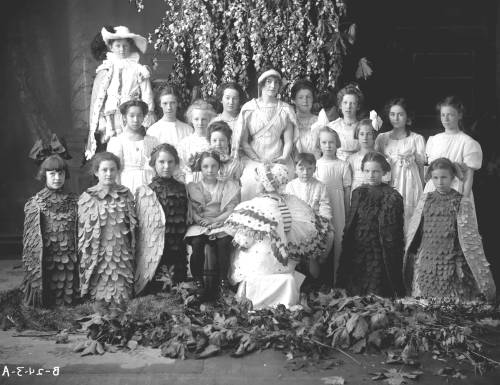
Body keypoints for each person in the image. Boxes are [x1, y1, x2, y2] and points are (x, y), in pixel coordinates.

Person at [225, 163, 326, 309]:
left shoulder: (256, 205)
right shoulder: (290, 204)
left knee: (242, 248)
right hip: (283, 263)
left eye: (259, 181)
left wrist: (239, 242)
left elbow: (245, 240)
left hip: (260, 265)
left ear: (263, 185)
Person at [404, 158, 495, 301]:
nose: (440, 182)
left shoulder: (461, 202)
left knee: (451, 293)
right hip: (428, 255)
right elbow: (416, 228)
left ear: (452, 178)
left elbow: (469, 235)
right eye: (435, 178)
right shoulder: (425, 199)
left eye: (444, 177)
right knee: (427, 291)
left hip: (452, 256)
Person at [337, 152, 405, 297]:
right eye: (367, 171)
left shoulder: (393, 196)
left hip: (380, 249)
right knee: (357, 281)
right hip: (359, 246)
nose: (371, 175)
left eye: (376, 171)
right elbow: (351, 221)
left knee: (377, 281)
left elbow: (397, 231)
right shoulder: (357, 193)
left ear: (384, 172)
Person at [78, 152, 136, 315]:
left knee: (122, 296)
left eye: (112, 170)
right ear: (96, 172)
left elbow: (133, 229)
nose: (109, 174)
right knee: (100, 291)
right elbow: (84, 235)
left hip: (121, 252)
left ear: (118, 171)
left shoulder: (125, 194)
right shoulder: (88, 197)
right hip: (99, 253)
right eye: (104, 170)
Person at [85, 25, 156, 160]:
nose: (122, 49)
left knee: (132, 146)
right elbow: (99, 98)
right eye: (118, 46)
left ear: (130, 47)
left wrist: (149, 112)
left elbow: (147, 93)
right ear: (111, 47)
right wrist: (100, 119)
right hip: (112, 117)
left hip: (133, 113)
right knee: (114, 149)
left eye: (125, 46)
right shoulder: (106, 69)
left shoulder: (138, 69)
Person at [22, 155, 78, 308]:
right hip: (48, 260)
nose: (57, 178)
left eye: (61, 173)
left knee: (68, 295)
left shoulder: (75, 201)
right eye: (52, 174)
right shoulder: (36, 203)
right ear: (44, 175)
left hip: (69, 259)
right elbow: (31, 245)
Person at [185, 151, 241, 299]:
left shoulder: (228, 186)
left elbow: (230, 209)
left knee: (224, 242)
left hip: (220, 221)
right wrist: (199, 220)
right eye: (205, 166)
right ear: (201, 168)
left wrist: (217, 221)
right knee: (197, 242)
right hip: (201, 223)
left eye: (213, 166)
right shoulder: (193, 187)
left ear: (219, 167)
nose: (210, 170)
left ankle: (223, 281)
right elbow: (191, 207)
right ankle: (198, 281)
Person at [135, 144, 189, 295]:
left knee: (176, 272)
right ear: (153, 163)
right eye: (161, 162)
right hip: (156, 244)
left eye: (170, 162)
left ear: (176, 163)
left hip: (177, 243)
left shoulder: (183, 189)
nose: (166, 166)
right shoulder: (147, 190)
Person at [237, 69, 298, 201]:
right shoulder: (249, 108)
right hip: (254, 158)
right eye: (269, 82)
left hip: (278, 157)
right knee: (249, 183)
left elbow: (288, 141)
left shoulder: (285, 109)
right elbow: (244, 142)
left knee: (284, 184)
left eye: (276, 82)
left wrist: (284, 157)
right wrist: (257, 159)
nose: (273, 86)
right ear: (261, 85)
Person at [375, 98, 425, 230]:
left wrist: (424, 191)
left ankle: (409, 247)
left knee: (409, 215)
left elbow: (421, 167)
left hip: (410, 183)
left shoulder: (416, 139)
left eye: (400, 114)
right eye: (392, 114)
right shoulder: (382, 138)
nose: (396, 118)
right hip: (390, 181)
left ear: (407, 116)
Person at [285, 153, 334, 277]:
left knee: (330, 234)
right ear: (295, 170)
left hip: (316, 220)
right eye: (301, 169)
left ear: (314, 169)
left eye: (309, 168)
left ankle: (319, 262)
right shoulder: (291, 186)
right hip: (297, 222)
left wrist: (325, 220)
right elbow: (287, 206)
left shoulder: (320, 186)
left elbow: (325, 205)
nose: (305, 172)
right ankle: (297, 270)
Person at [425, 96, 482, 200]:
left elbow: (469, 176)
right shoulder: (434, 140)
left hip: (457, 190)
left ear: (459, 115)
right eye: (443, 115)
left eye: (450, 115)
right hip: (434, 189)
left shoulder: (467, 142)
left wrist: (464, 200)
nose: (445, 119)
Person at [314, 128, 351, 284]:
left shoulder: (342, 165)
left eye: (331, 142)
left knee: (338, 240)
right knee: (322, 237)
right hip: (321, 205)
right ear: (319, 144)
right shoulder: (316, 164)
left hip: (338, 203)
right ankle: (319, 278)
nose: (328, 146)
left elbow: (347, 189)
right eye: (324, 142)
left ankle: (338, 279)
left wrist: (347, 209)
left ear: (337, 144)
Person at [107, 100, 159, 195]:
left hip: (150, 184)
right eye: (131, 116)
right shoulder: (117, 141)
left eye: (139, 115)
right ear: (124, 117)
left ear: (143, 117)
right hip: (127, 185)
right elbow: (115, 171)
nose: (136, 120)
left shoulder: (152, 141)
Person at [177, 100, 215, 183]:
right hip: (191, 184)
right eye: (196, 119)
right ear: (191, 120)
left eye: (204, 119)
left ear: (209, 120)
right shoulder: (185, 143)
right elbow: (181, 169)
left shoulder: (214, 142)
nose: (200, 123)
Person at [327, 84, 364, 161]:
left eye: (352, 103)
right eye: (345, 103)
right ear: (340, 105)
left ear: (358, 106)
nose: (348, 107)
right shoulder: (332, 127)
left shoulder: (363, 127)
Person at [291, 79, 321, 159]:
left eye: (308, 97)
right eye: (300, 97)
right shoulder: (290, 121)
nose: (305, 101)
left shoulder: (320, 122)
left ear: (313, 99)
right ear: (294, 100)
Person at [347, 119, 377, 192]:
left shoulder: (381, 159)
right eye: (362, 134)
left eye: (369, 134)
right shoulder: (351, 159)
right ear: (357, 135)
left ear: (374, 135)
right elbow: (347, 184)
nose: (365, 137)